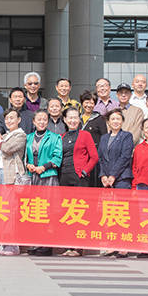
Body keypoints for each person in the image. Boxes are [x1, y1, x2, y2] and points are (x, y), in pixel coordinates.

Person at [60, 107, 99, 256]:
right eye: (70, 117)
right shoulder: (62, 137)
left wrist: (84, 171)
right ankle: (68, 246)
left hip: (79, 177)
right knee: (66, 212)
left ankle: (78, 247)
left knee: (79, 212)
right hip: (64, 177)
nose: (73, 120)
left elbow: (94, 157)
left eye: (76, 117)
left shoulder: (85, 135)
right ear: (65, 120)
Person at [24, 109, 62, 256]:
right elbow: (24, 157)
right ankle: (36, 241)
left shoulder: (55, 137)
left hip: (48, 177)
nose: (42, 122)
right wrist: (28, 165)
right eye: (39, 119)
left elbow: (57, 157)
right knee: (34, 210)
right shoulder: (28, 137)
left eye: (45, 119)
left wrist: (43, 167)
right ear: (34, 121)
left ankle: (47, 243)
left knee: (48, 211)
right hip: (32, 177)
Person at [0, 108, 27, 256]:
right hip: (0, 173)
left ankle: (12, 244)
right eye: (7, 118)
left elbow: (8, 148)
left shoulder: (20, 135)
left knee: (11, 209)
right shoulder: (5, 135)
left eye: (12, 118)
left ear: (19, 120)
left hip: (11, 175)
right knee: (2, 209)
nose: (9, 121)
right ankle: (4, 243)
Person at [98, 109, 134, 190]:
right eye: (113, 119)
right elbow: (100, 157)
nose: (115, 121)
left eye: (118, 119)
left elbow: (125, 157)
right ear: (108, 122)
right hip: (106, 180)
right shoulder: (103, 138)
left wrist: (113, 175)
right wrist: (103, 175)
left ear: (122, 121)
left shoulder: (127, 136)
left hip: (122, 179)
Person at [79, 90, 107, 187]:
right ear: (82, 103)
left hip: (94, 156)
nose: (89, 105)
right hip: (80, 156)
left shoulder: (99, 119)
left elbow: (104, 137)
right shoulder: (77, 118)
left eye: (92, 103)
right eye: (86, 102)